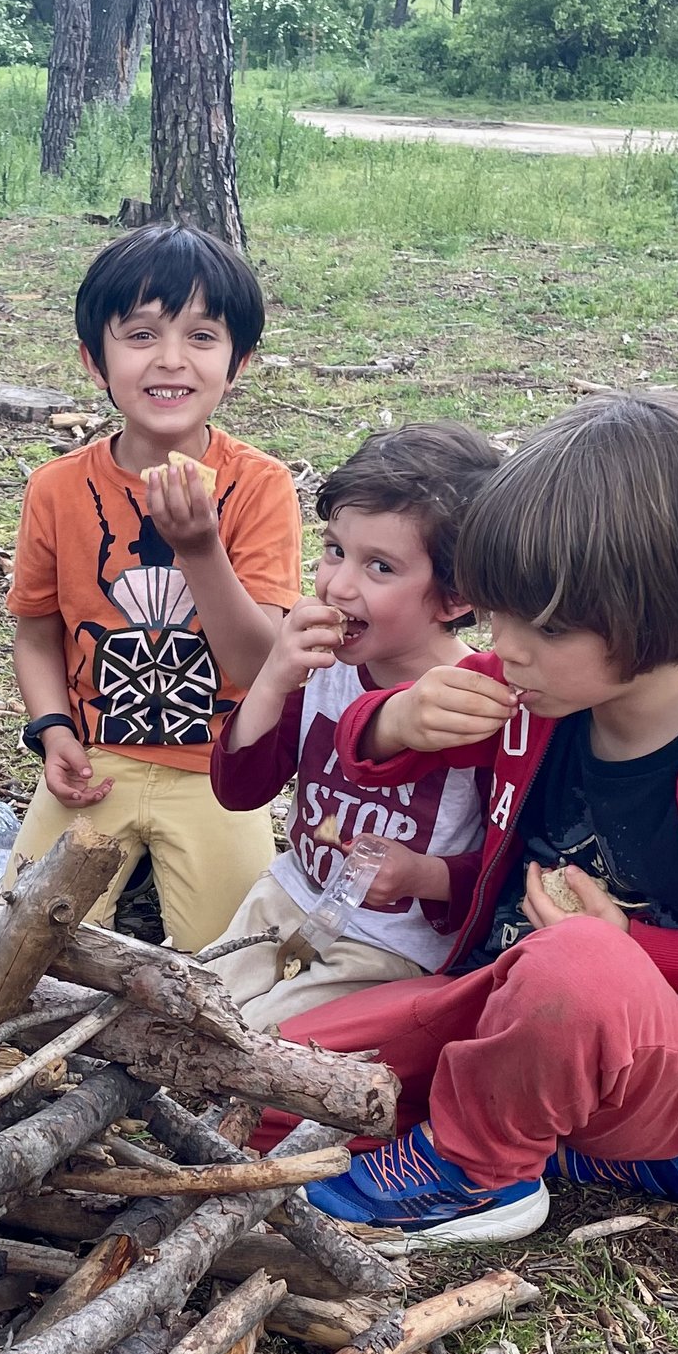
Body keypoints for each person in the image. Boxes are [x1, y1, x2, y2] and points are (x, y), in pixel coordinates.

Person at [287, 390, 678, 1242]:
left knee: (576, 964)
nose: (501, 643)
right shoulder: (541, 685)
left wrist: (634, 946)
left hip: (665, 1058)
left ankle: (482, 1172)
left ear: (656, 615)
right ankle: (583, 1151)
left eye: (540, 623)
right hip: (491, 1004)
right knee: (276, 1081)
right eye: (497, 608)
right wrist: (395, 719)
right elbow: (373, 751)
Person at [6, 222, 303, 954]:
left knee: (242, 959)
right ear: (93, 358)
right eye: (140, 334)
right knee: (14, 938)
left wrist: (200, 548)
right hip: (93, 764)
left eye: (203, 337)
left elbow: (257, 665)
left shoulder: (260, 487)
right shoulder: (57, 489)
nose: (171, 360)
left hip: (216, 769)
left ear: (239, 363)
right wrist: (52, 731)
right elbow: (36, 628)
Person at [205, 423, 500, 1031]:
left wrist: (424, 875)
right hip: (289, 895)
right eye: (336, 549)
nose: (338, 585)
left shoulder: (477, 702)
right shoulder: (322, 666)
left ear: (454, 598)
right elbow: (240, 790)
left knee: (261, 1043)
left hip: (389, 946)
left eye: (381, 567)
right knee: (188, 1005)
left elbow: (508, 863)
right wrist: (274, 675)